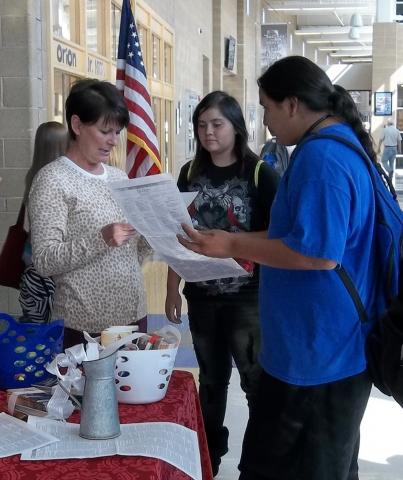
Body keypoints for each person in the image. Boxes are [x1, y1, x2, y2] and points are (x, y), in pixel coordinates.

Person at [177, 56, 380, 480]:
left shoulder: (322, 158)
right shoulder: (326, 148)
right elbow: (298, 237)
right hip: (312, 350)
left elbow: (318, 253)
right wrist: (227, 244)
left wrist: (231, 242)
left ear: (292, 104)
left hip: (318, 355)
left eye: (267, 107)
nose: (266, 122)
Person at [165, 90, 279, 476]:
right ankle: (208, 459)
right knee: (211, 383)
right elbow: (178, 234)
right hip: (201, 296)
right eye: (201, 125)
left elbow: (281, 236)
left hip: (248, 297)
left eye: (216, 124)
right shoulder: (188, 174)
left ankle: (258, 463)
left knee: (255, 383)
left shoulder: (260, 173)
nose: (208, 132)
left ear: (236, 127)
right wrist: (171, 288)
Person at [28, 79, 152, 347]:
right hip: (84, 327)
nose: (114, 141)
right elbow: (45, 260)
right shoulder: (53, 180)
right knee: (90, 391)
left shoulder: (119, 178)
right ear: (77, 125)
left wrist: (155, 233)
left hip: (134, 316)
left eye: (117, 132)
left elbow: (135, 253)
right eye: (106, 131)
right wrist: (102, 239)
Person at [19, 121, 68, 323]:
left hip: (30, 253)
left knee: (37, 316)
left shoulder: (32, 175)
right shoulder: (56, 179)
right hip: (52, 256)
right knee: (57, 316)